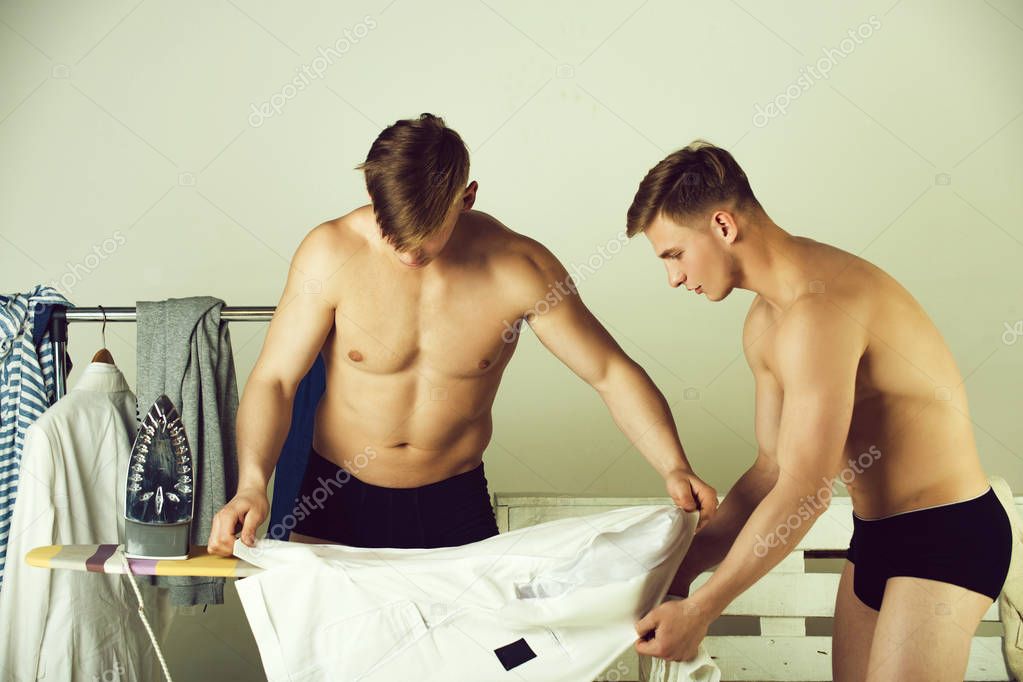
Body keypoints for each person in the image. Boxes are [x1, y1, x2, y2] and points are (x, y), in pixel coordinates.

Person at [207, 114, 716, 557]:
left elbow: (609, 372)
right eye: (393, 234)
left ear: (466, 198)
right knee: (326, 640)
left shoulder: (519, 268)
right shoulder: (329, 253)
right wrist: (251, 483)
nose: (408, 253)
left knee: (477, 640)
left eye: (425, 237)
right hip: (336, 495)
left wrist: (674, 466)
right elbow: (275, 380)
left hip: (452, 501)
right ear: (372, 195)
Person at [627, 141, 1012, 681]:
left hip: (948, 535)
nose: (673, 278)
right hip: (874, 538)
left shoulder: (823, 308)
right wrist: (679, 572)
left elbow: (807, 491)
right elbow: (771, 472)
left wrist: (701, 610)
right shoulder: (765, 321)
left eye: (674, 254)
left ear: (722, 225)